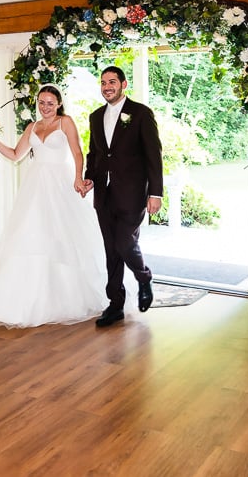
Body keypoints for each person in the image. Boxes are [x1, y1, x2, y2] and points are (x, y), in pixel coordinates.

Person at [0, 84, 107, 328]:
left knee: (63, 235)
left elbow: (77, 152)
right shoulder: (33, 127)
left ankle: (67, 292)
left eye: (50, 102)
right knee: (32, 234)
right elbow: (17, 154)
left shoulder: (65, 122)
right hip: (36, 185)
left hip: (60, 182)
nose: (45, 107)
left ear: (58, 103)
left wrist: (78, 178)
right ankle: (29, 296)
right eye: (41, 102)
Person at [78, 66, 163, 327]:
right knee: (111, 251)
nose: (107, 87)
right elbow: (95, 153)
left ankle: (144, 276)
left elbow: (153, 155)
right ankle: (115, 304)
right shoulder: (95, 116)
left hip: (132, 194)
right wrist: (89, 176)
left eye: (112, 82)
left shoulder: (140, 113)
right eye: (103, 83)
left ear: (123, 84)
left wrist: (156, 193)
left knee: (125, 244)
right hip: (104, 195)